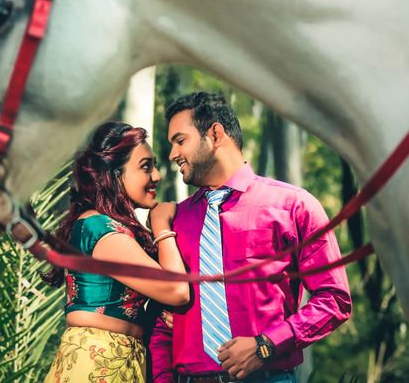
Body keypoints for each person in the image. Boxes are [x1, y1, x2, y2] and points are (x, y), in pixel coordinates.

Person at [148, 92, 352, 383]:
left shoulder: (294, 206)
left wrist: (266, 345)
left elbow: (334, 300)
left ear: (215, 134)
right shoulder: (174, 220)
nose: (172, 155)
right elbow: (163, 320)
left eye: (180, 141)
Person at [42, 121, 191, 383]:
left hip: (113, 359)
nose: (156, 175)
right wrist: (161, 226)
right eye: (146, 167)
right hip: (97, 362)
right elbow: (177, 291)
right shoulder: (102, 229)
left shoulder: (109, 227)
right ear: (113, 175)